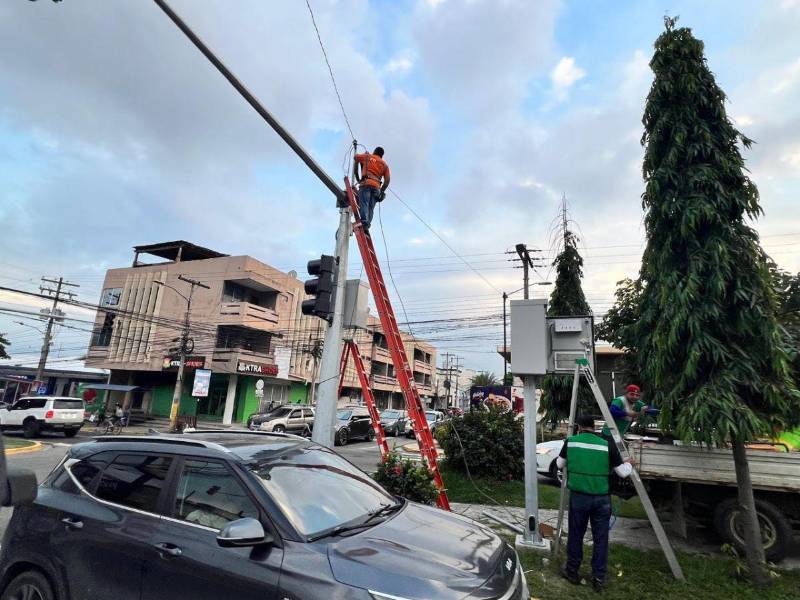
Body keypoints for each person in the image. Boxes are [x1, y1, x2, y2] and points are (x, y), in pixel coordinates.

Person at [558, 414, 634, 592]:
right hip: (601, 499)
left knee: (576, 535)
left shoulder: (571, 442)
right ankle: (598, 577)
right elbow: (623, 473)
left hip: (579, 498)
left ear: (579, 427)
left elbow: (560, 464)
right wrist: (630, 464)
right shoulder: (606, 445)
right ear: (594, 427)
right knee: (601, 539)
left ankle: (572, 571)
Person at [353, 147, 391, 231]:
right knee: (370, 208)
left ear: (374, 151)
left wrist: (357, 176)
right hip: (377, 188)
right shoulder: (384, 165)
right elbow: (387, 180)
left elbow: (355, 157)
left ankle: (364, 222)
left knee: (364, 203)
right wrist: (382, 191)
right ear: (382, 155)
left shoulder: (367, 156)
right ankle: (367, 225)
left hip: (366, 183)